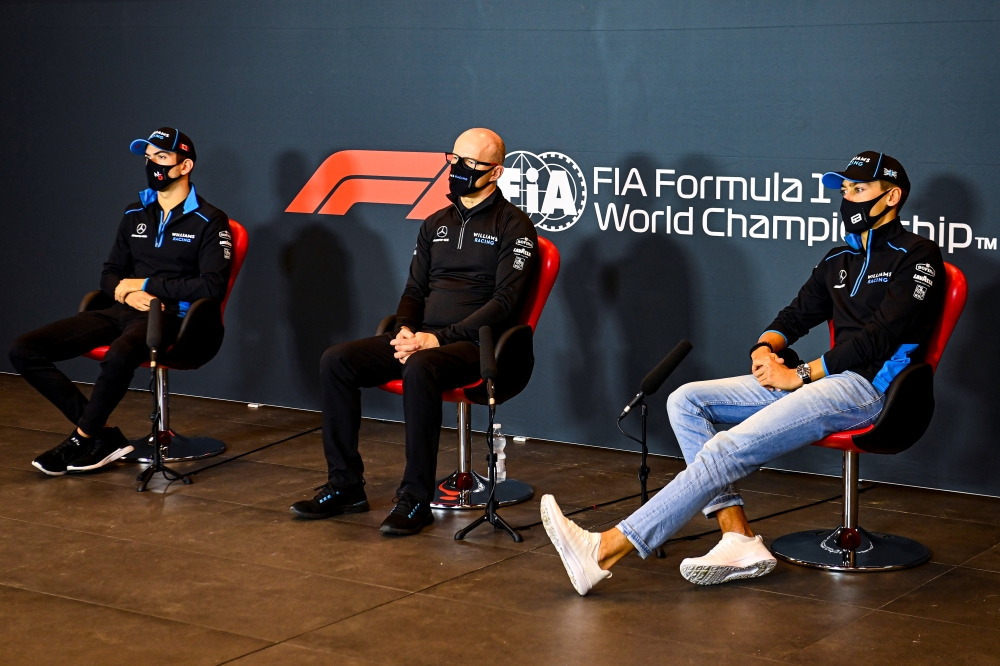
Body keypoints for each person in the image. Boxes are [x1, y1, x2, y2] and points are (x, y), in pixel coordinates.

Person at [541, 151, 945, 595]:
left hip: (867, 389)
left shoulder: (918, 256)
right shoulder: (839, 259)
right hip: (825, 380)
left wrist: (802, 375)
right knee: (686, 400)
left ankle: (603, 550)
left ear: (892, 197)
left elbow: (880, 338)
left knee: (724, 448)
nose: (846, 199)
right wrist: (765, 349)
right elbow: (794, 315)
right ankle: (737, 538)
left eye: (859, 190)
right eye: (843, 190)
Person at [290, 128, 538, 536]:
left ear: (494, 173)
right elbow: (414, 290)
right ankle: (345, 486)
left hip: (478, 345)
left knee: (420, 367)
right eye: (453, 160)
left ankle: (415, 500)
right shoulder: (434, 222)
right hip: (423, 340)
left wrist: (438, 339)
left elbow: (505, 304)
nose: (457, 170)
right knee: (337, 360)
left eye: (470, 164)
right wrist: (407, 331)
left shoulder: (514, 226)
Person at [9, 128, 231, 476]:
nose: (152, 165)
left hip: (171, 318)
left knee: (120, 354)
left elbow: (211, 286)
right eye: (148, 157)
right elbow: (110, 273)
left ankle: (82, 438)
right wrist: (125, 291)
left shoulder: (210, 220)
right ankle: (103, 435)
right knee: (24, 349)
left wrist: (145, 284)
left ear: (185, 165)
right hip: (121, 309)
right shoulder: (134, 213)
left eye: (161, 157)